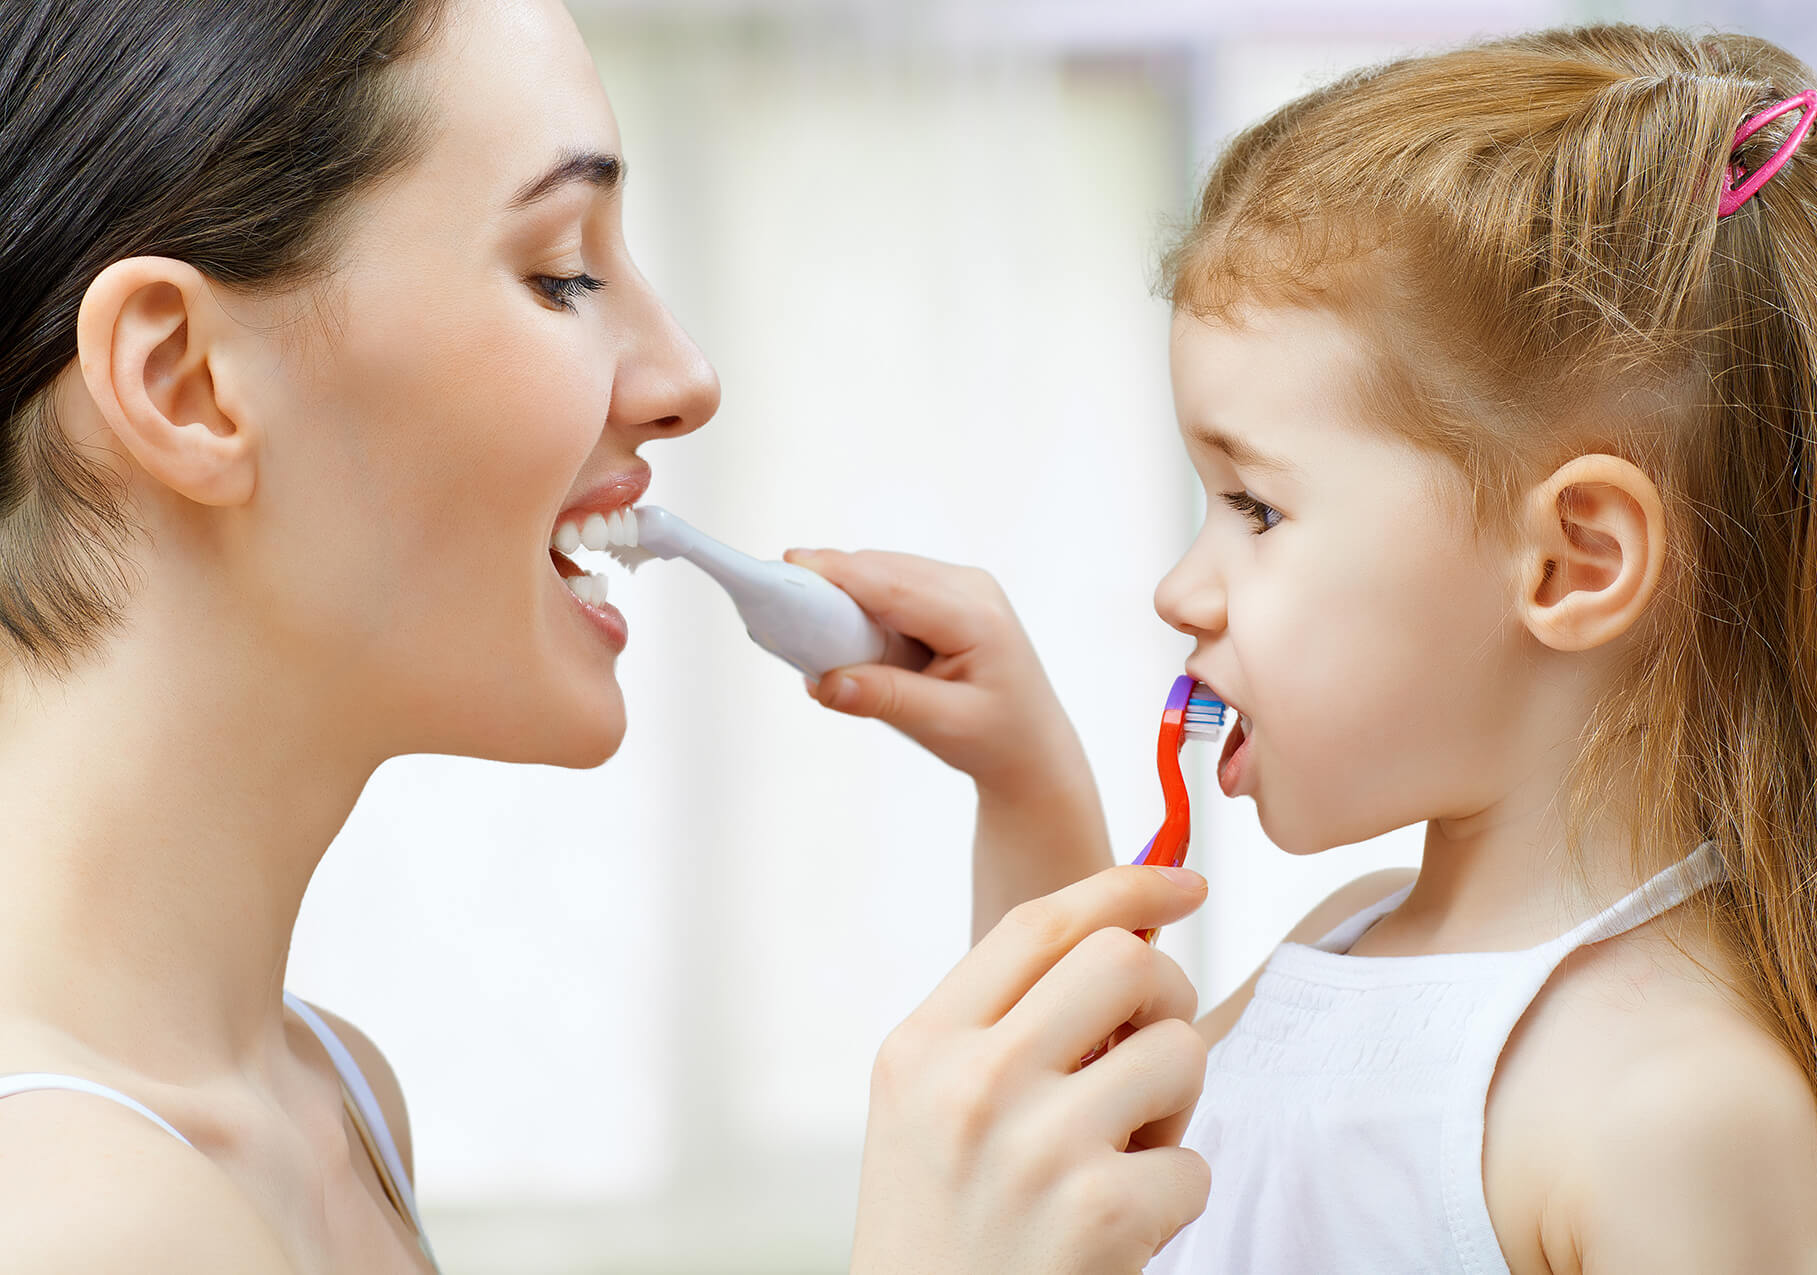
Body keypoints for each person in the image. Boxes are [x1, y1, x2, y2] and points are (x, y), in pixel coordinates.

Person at [0, 2, 1210, 1271]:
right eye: (562, 271)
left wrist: (1031, 809)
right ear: (182, 380)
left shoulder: (329, 1096)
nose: (685, 376)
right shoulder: (82, 1218)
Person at [798, 22, 1817, 1274]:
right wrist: (1022, 775)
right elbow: (1057, 1162)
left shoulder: (1674, 1111)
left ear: (1574, 562)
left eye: (1258, 509)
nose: (1182, 591)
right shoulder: (1339, 947)